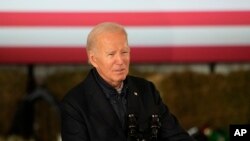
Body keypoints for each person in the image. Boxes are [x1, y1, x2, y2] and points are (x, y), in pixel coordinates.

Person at [60, 22, 194, 141]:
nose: (120, 61)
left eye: (124, 52)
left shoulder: (147, 90)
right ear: (94, 59)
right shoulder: (74, 105)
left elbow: (176, 136)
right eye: (111, 54)